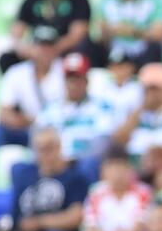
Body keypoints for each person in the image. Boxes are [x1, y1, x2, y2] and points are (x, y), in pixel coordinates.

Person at [36, 52, 117, 184]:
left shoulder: (102, 107)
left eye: (78, 78)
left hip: (83, 161)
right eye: (70, 78)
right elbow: (38, 137)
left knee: (89, 165)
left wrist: (75, 158)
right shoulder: (50, 108)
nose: (74, 83)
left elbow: (103, 143)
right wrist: (56, 159)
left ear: (86, 80)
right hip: (53, 161)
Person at [74, 147, 153, 231]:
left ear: (129, 170)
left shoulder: (143, 192)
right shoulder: (97, 192)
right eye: (112, 168)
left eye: (121, 168)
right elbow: (90, 225)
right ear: (104, 172)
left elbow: (140, 225)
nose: (117, 174)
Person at [11, 127, 89, 231]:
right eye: (40, 149)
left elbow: (75, 217)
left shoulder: (75, 177)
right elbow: (15, 215)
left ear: (59, 147)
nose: (45, 153)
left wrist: (40, 222)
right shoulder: (24, 176)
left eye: (49, 147)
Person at [0, 26, 66, 148]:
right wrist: (22, 121)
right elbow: (4, 111)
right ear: (32, 48)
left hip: (60, 129)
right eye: (41, 46)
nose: (45, 51)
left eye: (49, 46)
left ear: (56, 49)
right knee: (0, 131)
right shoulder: (16, 73)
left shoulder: (67, 71)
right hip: (28, 129)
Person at [4, 0, 92, 72]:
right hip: (36, 49)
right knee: (7, 59)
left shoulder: (79, 0)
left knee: (86, 52)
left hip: (64, 51)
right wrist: (27, 49)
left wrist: (51, 50)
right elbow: (16, 32)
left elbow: (77, 35)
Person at [99, 0, 162, 67]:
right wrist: (110, 30)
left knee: (154, 47)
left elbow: (161, 33)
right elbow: (99, 31)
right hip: (115, 50)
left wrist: (133, 31)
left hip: (143, 51)